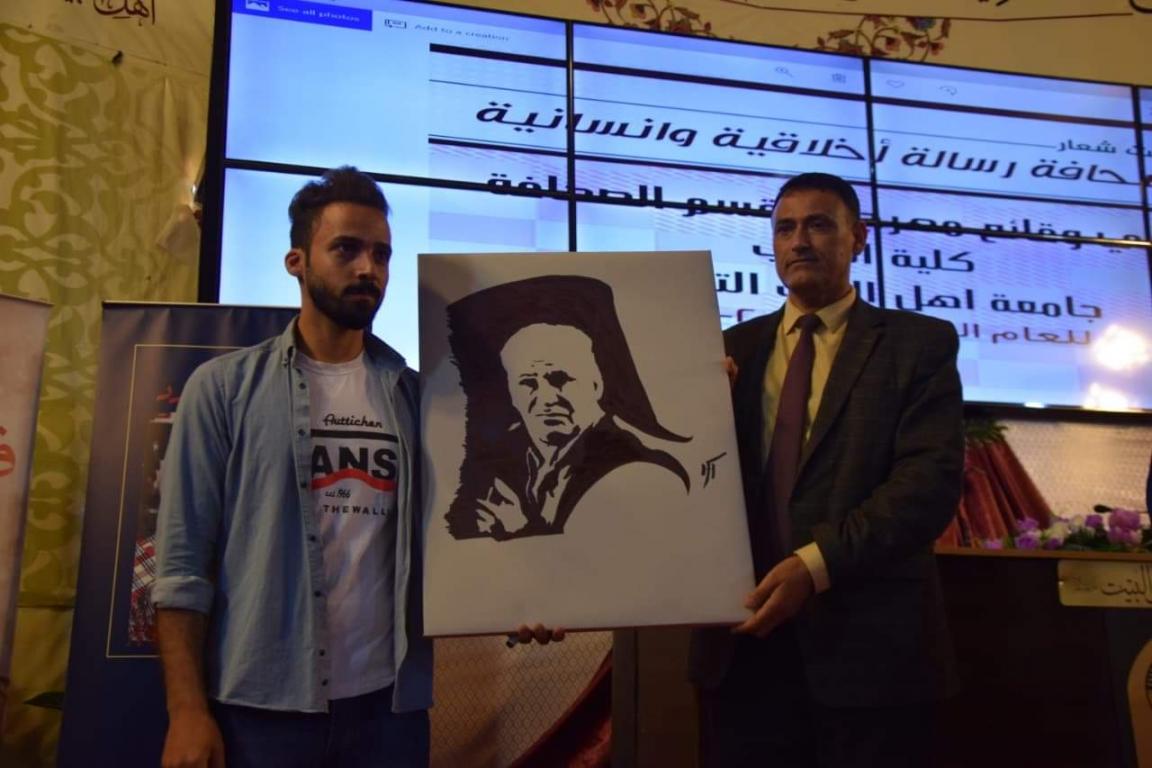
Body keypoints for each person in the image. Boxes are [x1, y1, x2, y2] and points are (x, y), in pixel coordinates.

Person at [151, 166, 430, 768]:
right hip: (261, 712)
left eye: (381, 254)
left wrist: (519, 601)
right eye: (346, 249)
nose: (368, 268)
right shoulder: (222, 389)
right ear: (296, 262)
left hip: (389, 711)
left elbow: (456, 543)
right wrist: (186, 711)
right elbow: (180, 567)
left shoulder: (415, 398)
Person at [690, 172, 963, 768]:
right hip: (743, 651)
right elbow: (691, 481)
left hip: (869, 655)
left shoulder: (918, 344)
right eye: (784, 228)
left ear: (858, 237)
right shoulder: (725, 351)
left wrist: (813, 567)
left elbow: (927, 485)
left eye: (818, 224)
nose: (799, 241)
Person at [441, 275, 691, 540]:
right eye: (528, 383)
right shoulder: (493, 469)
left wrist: (522, 533)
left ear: (597, 384)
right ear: (512, 394)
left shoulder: (640, 469)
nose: (546, 398)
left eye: (560, 379)